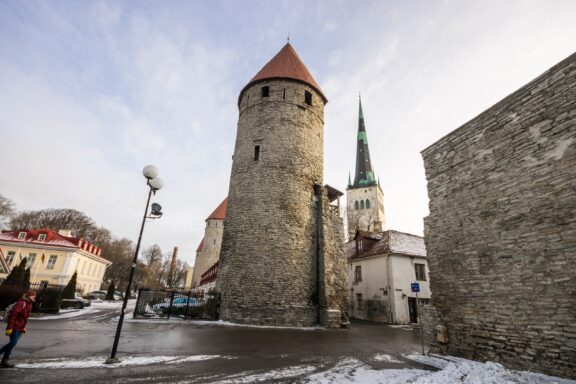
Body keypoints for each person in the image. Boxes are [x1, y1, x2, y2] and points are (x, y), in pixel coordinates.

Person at [0, 290, 36, 368]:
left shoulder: (29, 304)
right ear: (28, 296)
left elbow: (24, 318)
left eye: (34, 295)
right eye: (33, 295)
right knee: (12, 343)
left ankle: (4, 361)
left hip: (20, 328)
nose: (34, 297)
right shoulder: (21, 303)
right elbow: (12, 316)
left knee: (12, 344)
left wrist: (23, 327)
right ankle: (4, 360)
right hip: (14, 327)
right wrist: (9, 328)